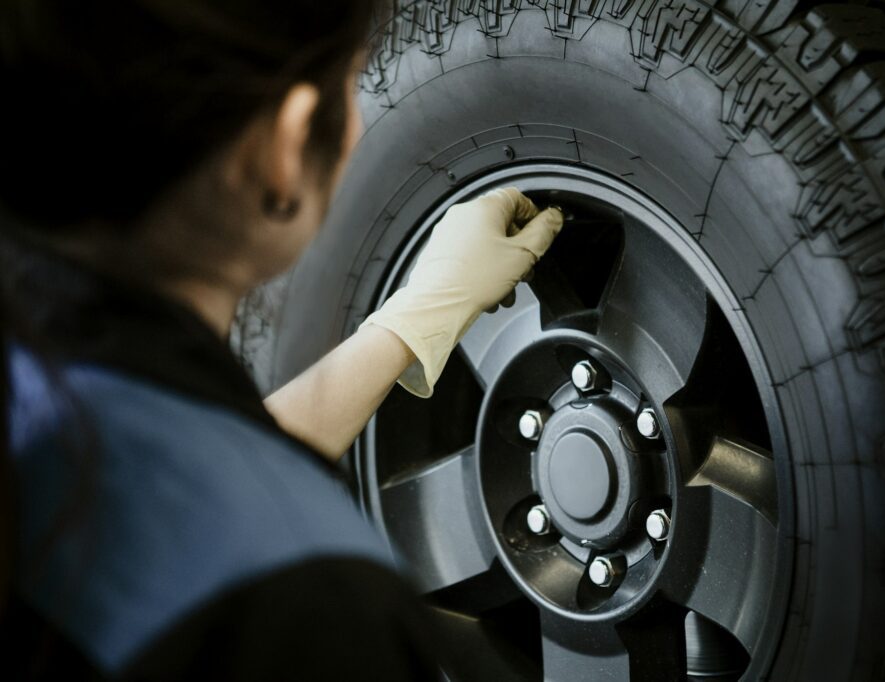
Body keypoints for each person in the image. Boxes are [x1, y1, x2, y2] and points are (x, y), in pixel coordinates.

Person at [0, 1, 563, 679]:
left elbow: (162, 474)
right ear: (285, 147)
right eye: (355, 82)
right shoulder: (310, 614)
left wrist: (412, 322)